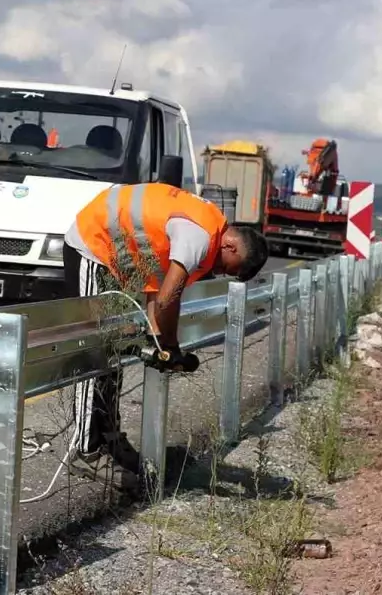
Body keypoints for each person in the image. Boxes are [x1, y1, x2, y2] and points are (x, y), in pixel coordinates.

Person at [61, 181, 270, 481]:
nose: (221, 273)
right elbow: (166, 299)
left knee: (111, 356)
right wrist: (170, 347)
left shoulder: (206, 231)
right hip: (92, 246)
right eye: (229, 268)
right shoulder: (199, 237)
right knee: (95, 350)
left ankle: (108, 438)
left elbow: (157, 293)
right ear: (231, 246)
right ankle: (86, 450)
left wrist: (163, 343)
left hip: (113, 254)